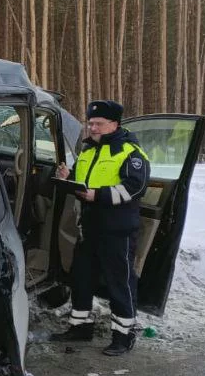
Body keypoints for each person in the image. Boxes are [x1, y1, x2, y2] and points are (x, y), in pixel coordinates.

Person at [53, 99, 151, 356]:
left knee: (120, 283)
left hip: (117, 231)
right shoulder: (87, 152)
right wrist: (68, 178)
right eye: (90, 123)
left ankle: (123, 335)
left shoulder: (131, 153)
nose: (92, 127)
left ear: (114, 124)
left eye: (98, 123)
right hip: (89, 228)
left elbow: (135, 187)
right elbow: (82, 181)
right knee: (81, 278)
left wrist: (99, 196)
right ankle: (80, 327)